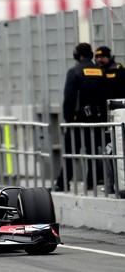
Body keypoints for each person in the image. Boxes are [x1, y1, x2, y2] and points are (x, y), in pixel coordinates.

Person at [54, 43, 107, 192]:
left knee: (71, 154)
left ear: (77, 55)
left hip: (77, 120)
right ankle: (91, 182)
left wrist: (68, 119)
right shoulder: (100, 71)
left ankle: (62, 183)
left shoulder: (74, 72)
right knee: (94, 153)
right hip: (97, 120)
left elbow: (69, 98)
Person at [94, 46, 125, 193]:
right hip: (106, 117)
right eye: (97, 57)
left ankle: (113, 185)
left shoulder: (116, 69)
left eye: (102, 57)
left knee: (113, 150)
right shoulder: (98, 70)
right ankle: (110, 185)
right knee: (108, 151)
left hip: (118, 116)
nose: (99, 59)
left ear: (108, 56)